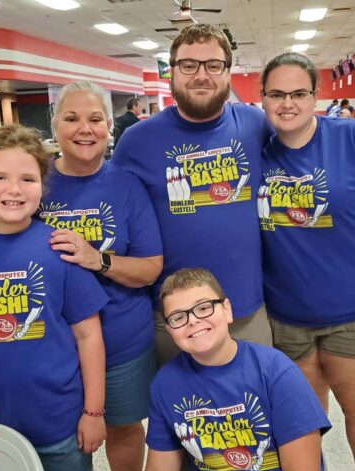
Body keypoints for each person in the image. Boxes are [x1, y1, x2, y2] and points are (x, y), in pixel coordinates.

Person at [259, 52, 355, 471]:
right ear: (264, 99)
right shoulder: (257, 150)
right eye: (277, 94)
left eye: (298, 93)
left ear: (316, 97)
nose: (288, 103)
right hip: (286, 316)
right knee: (302, 426)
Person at [37, 81, 163, 471]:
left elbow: (150, 267)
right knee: (59, 444)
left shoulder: (127, 185)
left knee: (124, 430)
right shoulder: (33, 182)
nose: (84, 129)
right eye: (71, 118)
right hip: (49, 345)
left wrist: (98, 260)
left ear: (111, 128)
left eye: (95, 119)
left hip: (121, 343)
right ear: (54, 124)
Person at [112, 24, 273, 364]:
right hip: (171, 316)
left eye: (213, 65)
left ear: (228, 71)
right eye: (188, 65)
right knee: (180, 414)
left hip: (245, 310)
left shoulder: (255, 124)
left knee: (258, 412)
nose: (201, 75)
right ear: (172, 71)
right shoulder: (136, 141)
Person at [136, 268, 334, 471]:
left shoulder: (276, 371)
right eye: (178, 317)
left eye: (204, 307)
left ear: (227, 310)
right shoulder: (165, 385)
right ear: (169, 328)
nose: (193, 320)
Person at [0, 124, 108, 471]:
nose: (14, 189)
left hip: (59, 416)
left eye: (27, 178)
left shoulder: (59, 246)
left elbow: (89, 336)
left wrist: (94, 412)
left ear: (43, 185)